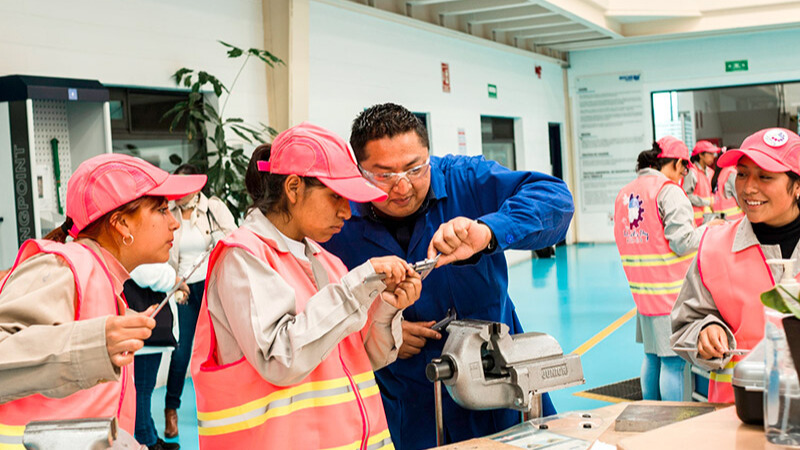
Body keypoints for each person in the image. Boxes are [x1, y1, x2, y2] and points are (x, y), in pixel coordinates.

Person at [323, 103, 574, 449]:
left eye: (414, 169)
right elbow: (311, 308)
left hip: (498, 386)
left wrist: (488, 232)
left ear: (428, 155)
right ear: (359, 170)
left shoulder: (465, 181)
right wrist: (375, 329)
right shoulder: (338, 220)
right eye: (385, 175)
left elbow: (556, 201)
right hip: (409, 402)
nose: (403, 187)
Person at [190, 123, 422, 449]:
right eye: (335, 196)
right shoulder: (243, 259)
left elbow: (364, 356)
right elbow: (280, 359)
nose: (347, 210)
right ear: (294, 187)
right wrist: (356, 288)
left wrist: (386, 309)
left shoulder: (326, 260)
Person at [0, 153, 205, 445]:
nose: (174, 223)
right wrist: (97, 342)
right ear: (121, 224)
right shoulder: (63, 270)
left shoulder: (104, 279)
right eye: (161, 210)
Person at [672, 127, 800, 403]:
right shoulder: (714, 247)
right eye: (742, 174)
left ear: (797, 186)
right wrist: (705, 333)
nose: (748, 188)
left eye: (765, 176)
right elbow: (685, 325)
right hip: (735, 415)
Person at [613, 136, 722, 402]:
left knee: (652, 358)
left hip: (644, 293)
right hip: (670, 294)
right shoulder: (668, 191)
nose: (684, 174)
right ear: (673, 164)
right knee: (674, 362)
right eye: (683, 168)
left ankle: (650, 413)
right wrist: (711, 229)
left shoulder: (627, 192)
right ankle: (670, 424)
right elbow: (683, 242)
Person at [163, 164, 236, 439]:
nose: (178, 192)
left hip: (213, 285)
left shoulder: (213, 208)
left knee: (219, 348)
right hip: (183, 290)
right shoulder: (168, 213)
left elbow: (234, 237)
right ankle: (171, 410)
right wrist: (173, 282)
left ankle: (223, 408)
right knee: (181, 352)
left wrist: (219, 239)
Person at [125, 263, 185, 450]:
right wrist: (174, 279)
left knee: (145, 389)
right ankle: (147, 441)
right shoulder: (138, 251)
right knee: (143, 389)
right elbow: (142, 273)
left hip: (149, 336)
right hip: (145, 336)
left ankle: (150, 434)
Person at [684, 140, 720, 226]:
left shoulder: (711, 172)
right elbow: (687, 195)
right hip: (697, 222)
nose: (713, 157)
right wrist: (707, 203)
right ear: (701, 155)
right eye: (710, 154)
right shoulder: (692, 172)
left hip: (710, 219)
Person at [712, 149, 744, 221]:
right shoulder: (731, 173)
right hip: (734, 218)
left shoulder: (721, 172)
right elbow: (740, 197)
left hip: (722, 216)